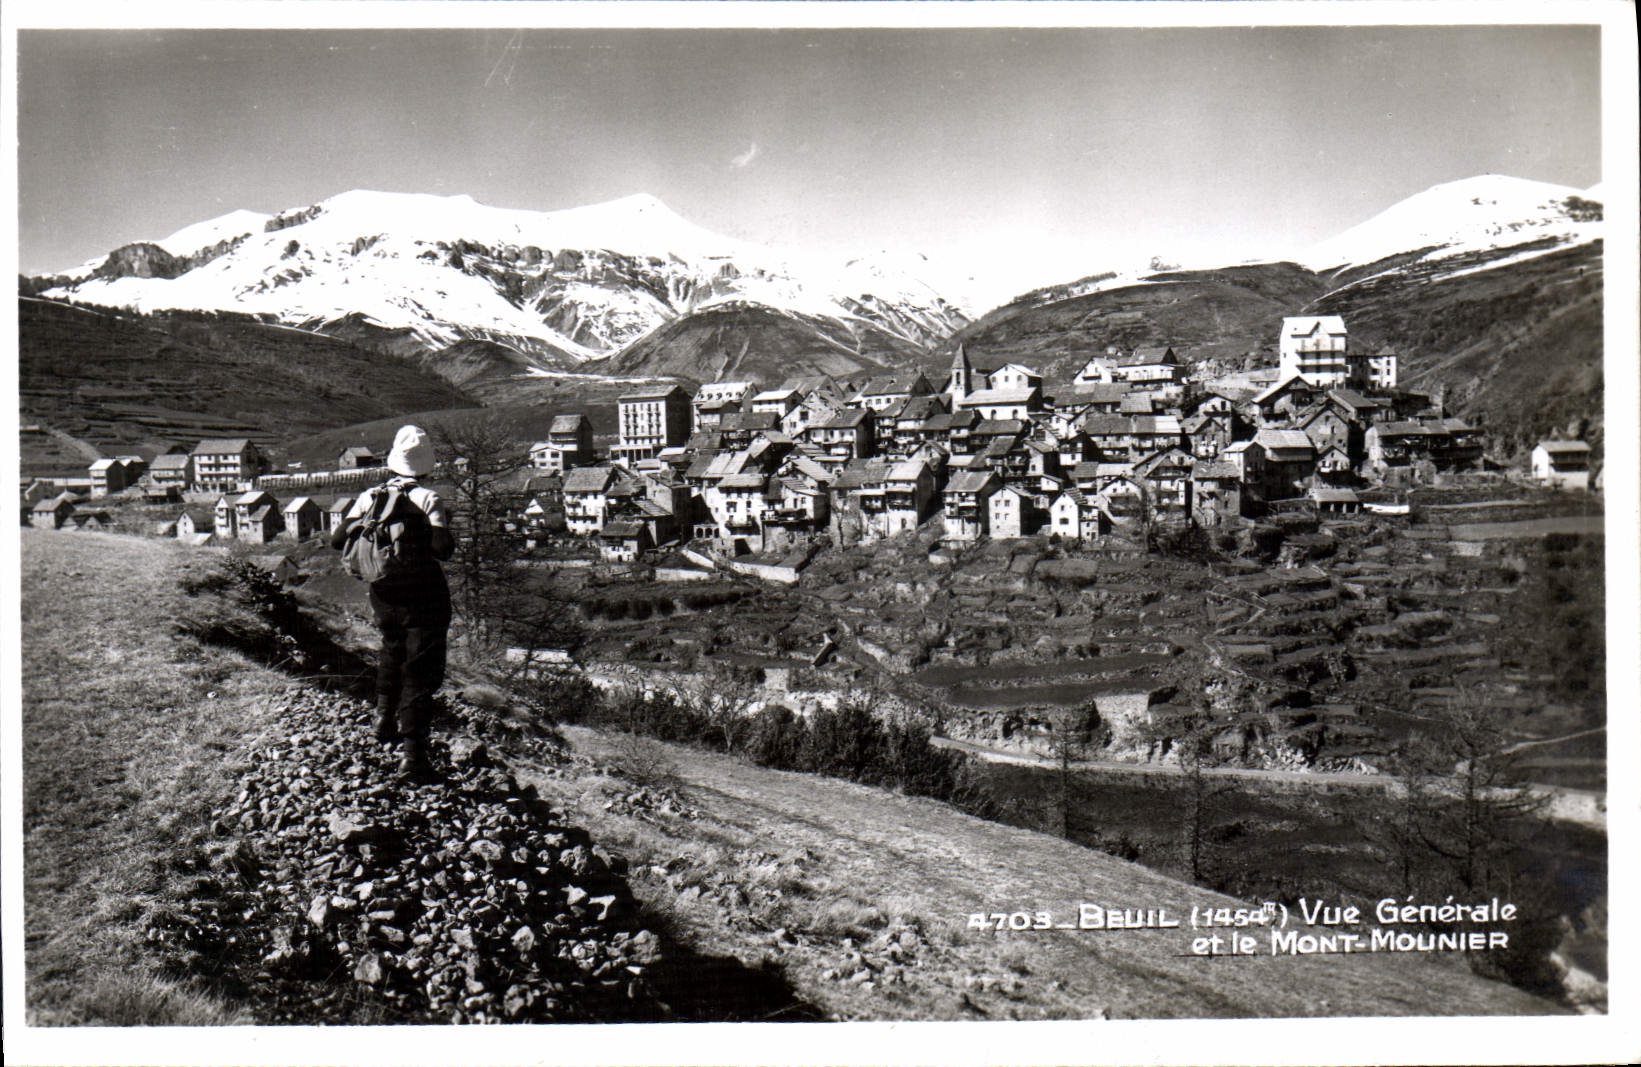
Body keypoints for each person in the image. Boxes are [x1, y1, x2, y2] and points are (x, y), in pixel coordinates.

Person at [331, 424, 454, 781]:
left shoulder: (371, 496)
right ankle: (414, 757)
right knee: (421, 669)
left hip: (383, 591)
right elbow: (442, 550)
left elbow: (339, 539)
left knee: (391, 650)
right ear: (426, 465)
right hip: (424, 596)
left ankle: (383, 719)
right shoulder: (428, 498)